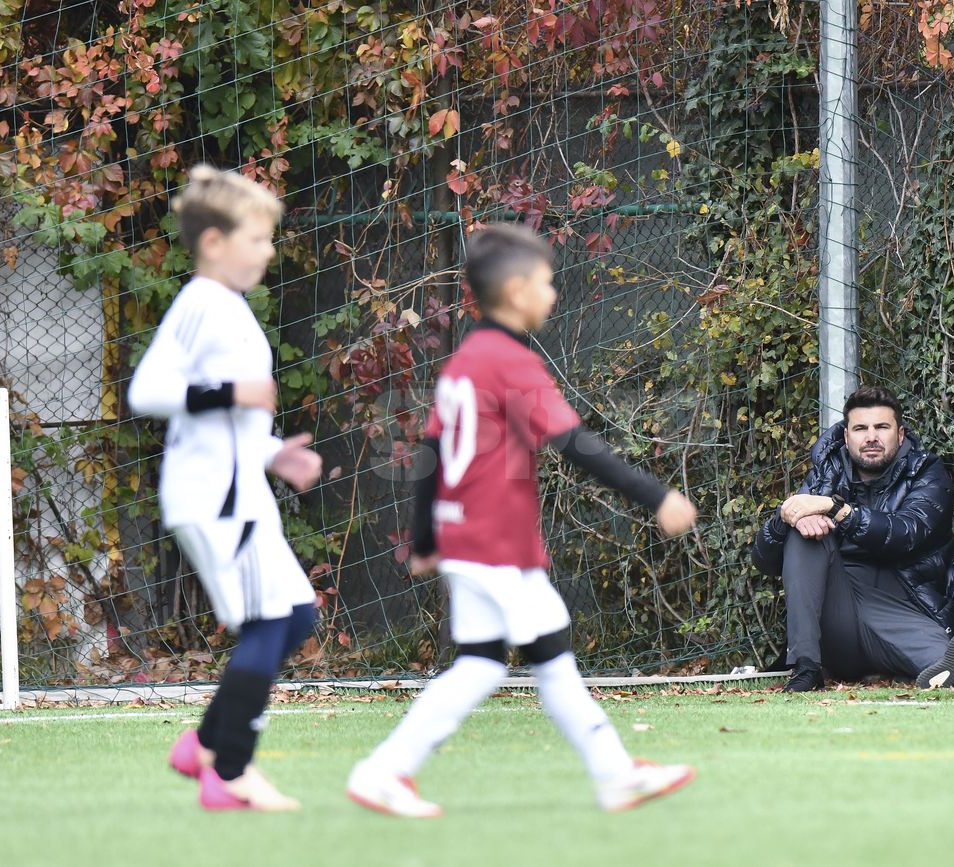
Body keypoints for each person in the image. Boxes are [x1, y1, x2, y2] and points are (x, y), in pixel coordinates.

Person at [346, 223, 699, 818]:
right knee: (548, 653)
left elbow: (431, 455)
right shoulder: (511, 363)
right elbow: (576, 444)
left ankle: (386, 771)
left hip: (464, 538)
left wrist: (426, 539)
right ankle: (614, 775)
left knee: (481, 663)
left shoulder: (464, 362)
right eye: (546, 282)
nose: (553, 293)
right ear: (516, 291)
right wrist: (657, 496)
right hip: (496, 543)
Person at [128, 165, 323, 811]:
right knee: (272, 620)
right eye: (257, 238)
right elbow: (146, 391)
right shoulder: (200, 303)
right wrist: (233, 392)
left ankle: (206, 745)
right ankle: (231, 770)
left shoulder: (230, 308)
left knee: (296, 615)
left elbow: (228, 426)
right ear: (213, 242)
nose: (268, 250)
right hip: (213, 499)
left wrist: (273, 454)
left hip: (239, 494)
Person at [751, 386, 954, 692]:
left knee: (938, 654)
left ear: (900, 435)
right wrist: (783, 520)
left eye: (882, 427)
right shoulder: (826, 474)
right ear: (846, 436)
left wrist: (838, 510)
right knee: (803, 531)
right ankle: (807, 668)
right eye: (861, 428)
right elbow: (765, 562)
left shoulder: (926, 472)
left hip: (902, 610)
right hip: (840, 618)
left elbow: (905, 532)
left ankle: (936, 664)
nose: (871, 437)